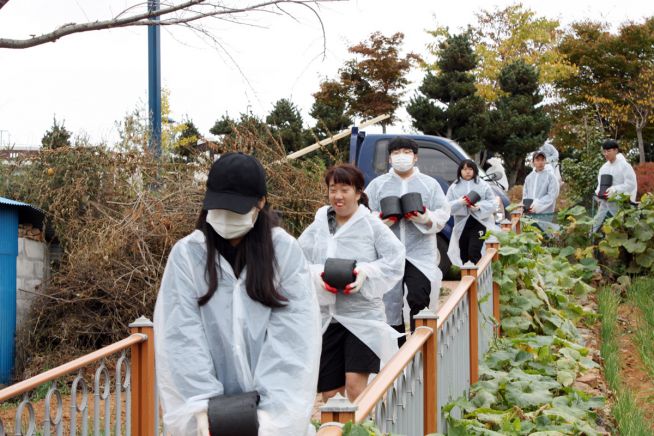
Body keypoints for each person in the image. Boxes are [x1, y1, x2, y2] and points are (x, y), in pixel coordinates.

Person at [154, 152, 321, 436]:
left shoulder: (284, 253)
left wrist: (269, 421)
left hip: (272, 423)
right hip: (205, 424)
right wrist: (204, 411)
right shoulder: (187, 256)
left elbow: (293, 344)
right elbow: (181, 339)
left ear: (261, 204)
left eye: (236, 210)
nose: (227, 218)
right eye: (220, 209)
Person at [298, 164, 405, 402]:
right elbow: (296, 260)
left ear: (358, 192)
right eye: (332, 189)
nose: (337, 196)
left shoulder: (372, 225)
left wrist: (365, 272)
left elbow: (395, 259)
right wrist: (318, 275)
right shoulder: (320, 224)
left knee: (355, 386)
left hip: (363, 317)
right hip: (328, 317)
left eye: (344, 189)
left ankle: (362, 429)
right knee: (331, 394)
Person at [365, 137, 450, 342]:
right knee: (389, 303)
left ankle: (419, 347)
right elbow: (364, 213)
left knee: (419, 298)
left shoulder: (429, 184)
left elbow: (443, 212)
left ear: (415, 157)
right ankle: (396, 351)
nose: (401, 156)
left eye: (406, 152)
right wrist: (381, 221)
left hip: (419, 253)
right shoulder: (378, 185)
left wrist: (426, 218)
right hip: (388, 253)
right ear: (389, 158)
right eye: (396, 152)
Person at [446, 159, 498, 267]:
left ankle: (478, 280)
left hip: (479, 223)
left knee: (474, 251)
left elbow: (493, 203)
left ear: (474, 170)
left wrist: (479, 207)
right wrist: (459, 202)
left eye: (470, 169)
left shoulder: (483, 185)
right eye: (464, 169)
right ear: (460, 171)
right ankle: (468, 281)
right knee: (464, 254)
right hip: (462, 225)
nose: (467, 172)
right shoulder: (454, 187)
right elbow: (446, 206)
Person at [592, 139, 637, 232]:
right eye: (604, 151)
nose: (606, 154)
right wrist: (598, 193)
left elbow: (631, 184)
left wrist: (615, 189)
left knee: (622, 226)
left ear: (616, 151)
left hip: (620, 203)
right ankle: (591, 239)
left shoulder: (624, 166)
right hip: (604, 201)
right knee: (596, 223)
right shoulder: (603, 168)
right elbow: (600, 185)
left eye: (609, 151)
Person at [522, 149, 560, 215]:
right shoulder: (529, 178)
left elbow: (552, 195)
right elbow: (525, 195)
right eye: (537, 160)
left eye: (542, 160)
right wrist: (526, 206)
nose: (540, 162)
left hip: (545, 214)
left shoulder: (551, 177)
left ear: (545, 161)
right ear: (533, 162)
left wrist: (538, 205)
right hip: (530, 213)